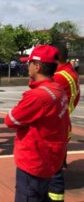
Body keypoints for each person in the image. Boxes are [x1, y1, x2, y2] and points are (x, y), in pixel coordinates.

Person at [4, 45, 71, 202]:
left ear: (37, 66)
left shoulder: (37, 96)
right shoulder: (57, 89)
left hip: (33, 162)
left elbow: (10, 120)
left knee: (29, 196)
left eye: (29, 62)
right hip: (48, 159)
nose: (27, 66)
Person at [48, 42, 81, 202]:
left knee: (51, 165)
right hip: (64, 119)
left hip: (55, 123)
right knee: (58, 159)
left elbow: (39, 92)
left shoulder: (59, 77)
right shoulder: (69, 72)